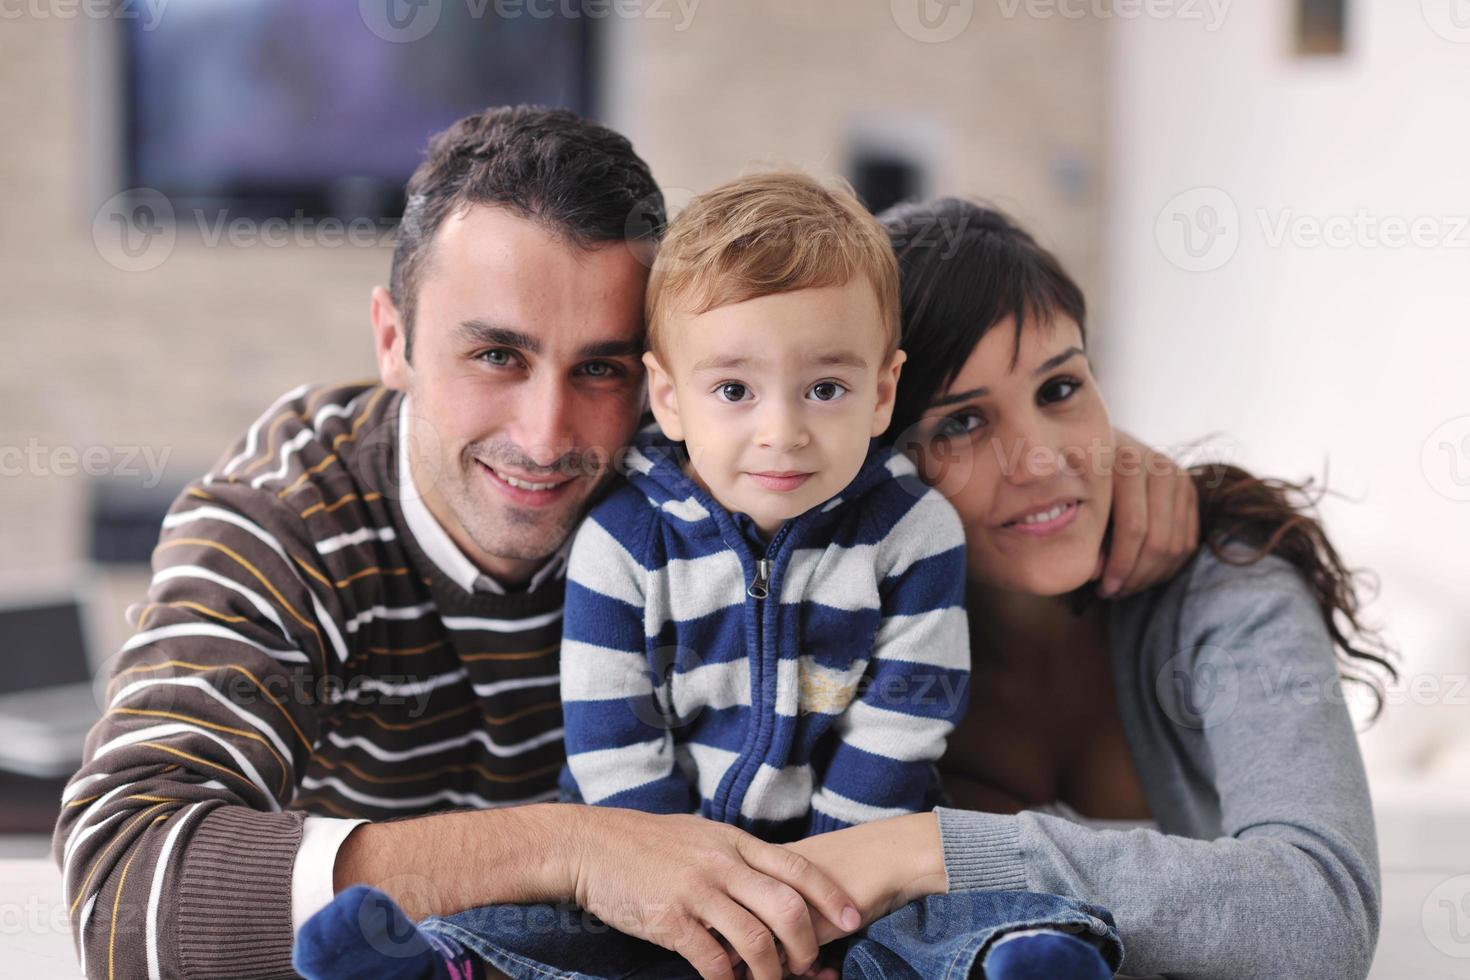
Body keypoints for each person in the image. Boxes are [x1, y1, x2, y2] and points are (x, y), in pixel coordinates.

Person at [51, 105, 1196, 980]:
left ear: (659, 378)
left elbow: (866, 342)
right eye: (495, 353)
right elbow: (123, 883)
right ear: (393, 338)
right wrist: (580, 846)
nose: (549, 434)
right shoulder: (283, 525)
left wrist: (1103, 467)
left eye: (599, 365)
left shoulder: (705, 452)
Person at [292, 174, 1129, 979]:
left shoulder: (911, 535)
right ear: (669, 397)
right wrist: (673, 881)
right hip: (646, 854)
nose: (782, 431)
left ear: (882, 394)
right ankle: (443, 962)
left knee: (954, 913)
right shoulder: (623, 538)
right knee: (547, 924)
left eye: (825, 388)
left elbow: (905, 720)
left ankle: (1008, 962)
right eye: (734, 388)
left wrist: (823, 890)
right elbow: (610, 731)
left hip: (853, 855)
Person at [773, 199, 1395, 980]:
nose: (1040, 461)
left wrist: (929, 850)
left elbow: (1322, 917)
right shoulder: (822, 627)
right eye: (962, 422)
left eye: (1060, 389)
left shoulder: (1226, 592)